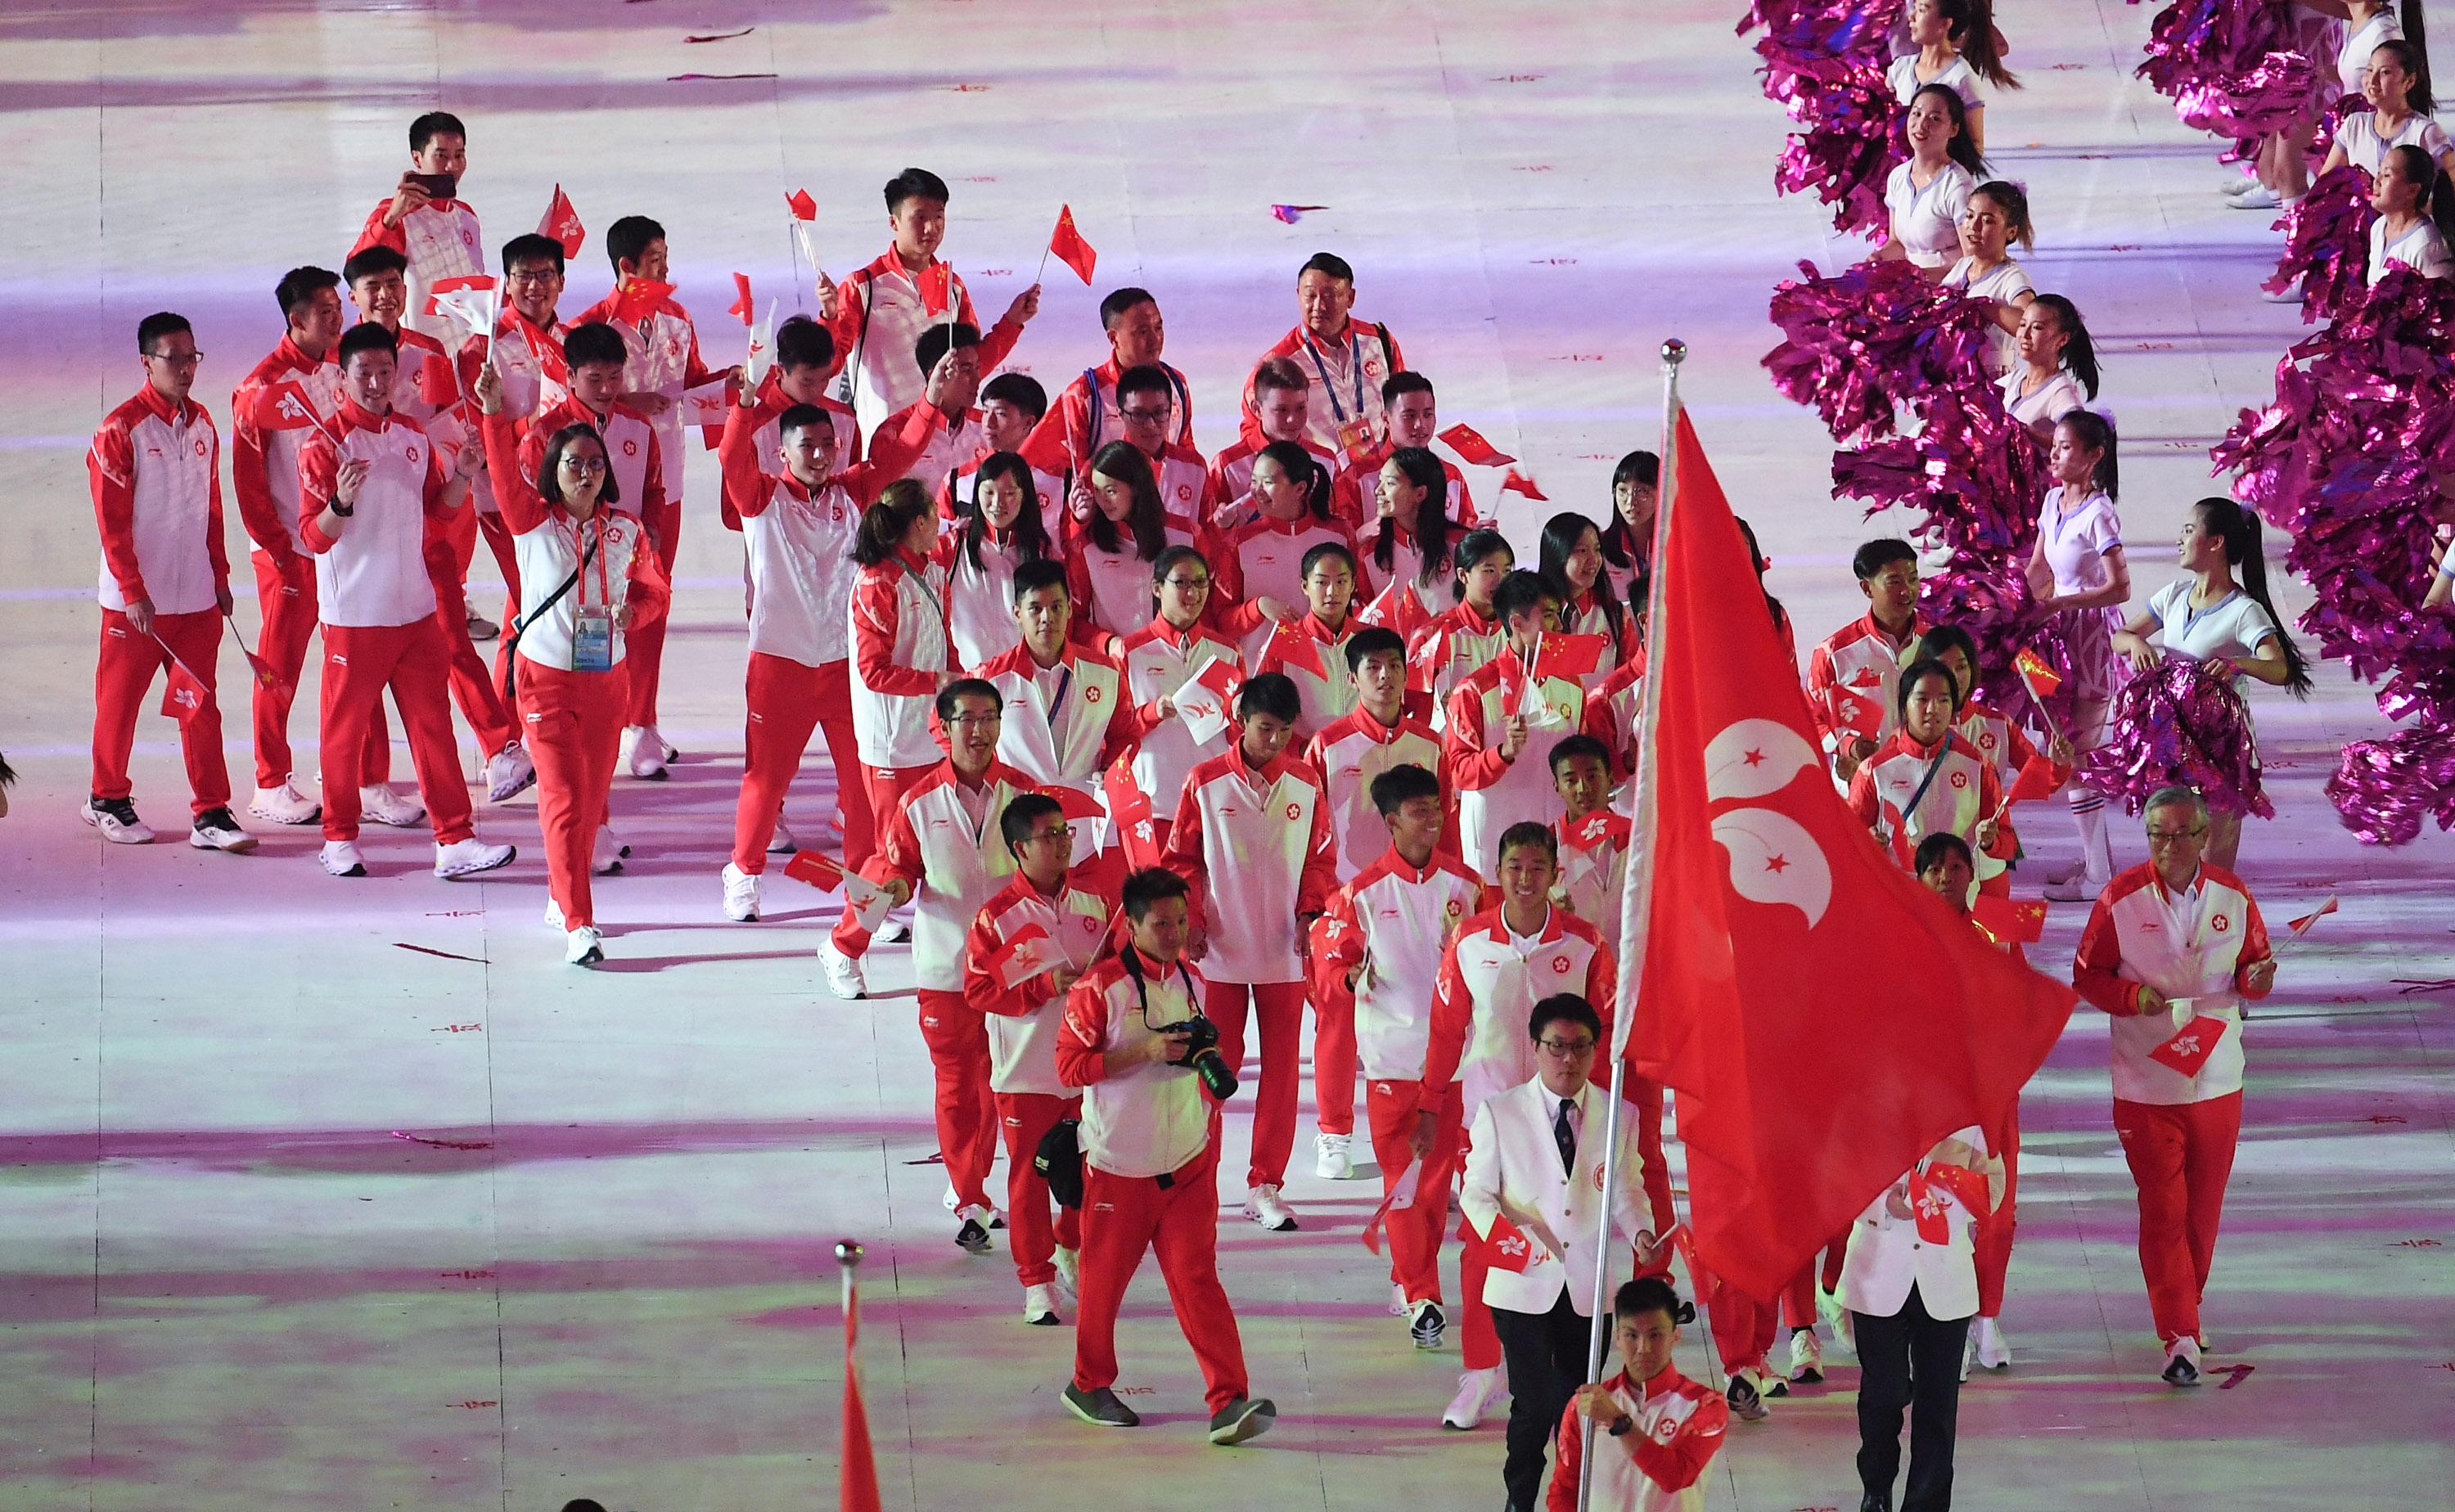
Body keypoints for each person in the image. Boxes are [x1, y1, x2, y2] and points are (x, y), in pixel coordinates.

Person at [1055, 867, 1277, 1446]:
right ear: (1130, 925)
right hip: (1118, 1168)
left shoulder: (1195, 980)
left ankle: (1228, 1400)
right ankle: (1088, 1383)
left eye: (1181, 921)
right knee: (1102, 1287)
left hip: (1188, 1164)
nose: (1174, 933)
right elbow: (1069, 1068)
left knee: (1199, 1280)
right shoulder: (1099, 989)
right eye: (1161, 924)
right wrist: (1143, 1051)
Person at [2072, 786, 2277, 1387]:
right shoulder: (2120, 898)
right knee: (2163, 1210)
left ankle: (2189, 1307)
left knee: (2202, 1213)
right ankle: (2179, 1337)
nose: (2166, 845)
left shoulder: (2234, 897)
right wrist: (2132, 996)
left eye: (2179, 834)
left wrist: (2260, 978)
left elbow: (2254, 971)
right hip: (2145, 1081)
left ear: (2204, 838)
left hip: (2217, 1080)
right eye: (2156, 833)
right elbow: (2087, 974)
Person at [297, 322, 516, 880]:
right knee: (343, 736)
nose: (375, 383)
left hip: (416, 612)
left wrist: (464, 477)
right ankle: (339, 838)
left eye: (384, 372)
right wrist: (341, 501)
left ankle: (456, 839)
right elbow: (313, 537)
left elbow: (437, 517)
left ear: (398, 374)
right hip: (356, 619)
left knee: (433, 728)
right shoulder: (323, 445)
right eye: (363, 373)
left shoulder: (415, 439)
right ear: (341, 377)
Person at [715, 382, 938, 925]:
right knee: (766, 783)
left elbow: (901, 452)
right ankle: (743, 872)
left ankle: (865, 897)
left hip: (844, 669)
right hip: (778, 664)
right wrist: (745, 408)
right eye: (806, 446)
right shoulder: (760, 498)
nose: (817, 455)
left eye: (826, 444)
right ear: (782, 452)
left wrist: (930, 399)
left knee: (860, 790)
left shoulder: (855, 494)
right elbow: (728, 455)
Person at [1419, 823, 1617, 1431]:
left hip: (1566, 1120)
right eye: (1514, 868)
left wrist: (1610, 1114)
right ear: (1497, 871)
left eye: (1537, 868)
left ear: (1555, 871)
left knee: (1570, 1241)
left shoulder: (1586, 945)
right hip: (1490, 1120)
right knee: (1484, 1246)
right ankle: (1480, 1373)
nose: (1525, 880)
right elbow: (1447, 1026)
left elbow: (1606, 1035)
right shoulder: (1470, 940)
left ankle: (1570, 1380)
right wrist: (1429, 1103)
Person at [472, 362, 669, 965]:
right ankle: (580, 922)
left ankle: (564, 893)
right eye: (572, 464)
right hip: (545, 683)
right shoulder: (530, 523)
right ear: (552, 474)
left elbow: (656, 594)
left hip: (608, 683)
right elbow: (503, 471)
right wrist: (491, 411)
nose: (585, 473)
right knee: (560, 798)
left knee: (588, 800)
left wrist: (627, 619)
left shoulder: (627, 532)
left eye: (594, 464)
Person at [863, 679, 1043, 1252]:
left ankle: (1001, 1188)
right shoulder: (918, 802)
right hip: (945, 970)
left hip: (1016, 969)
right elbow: (900, 868)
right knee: (957, 1087)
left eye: (989, 718)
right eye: (966, 719)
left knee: (1005, 1085)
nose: (979, 731)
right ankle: (970, 1198)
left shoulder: (1024, 794)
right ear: (943, 729)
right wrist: (892, 888)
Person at [1459, 993, 1656, 1512]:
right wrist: (1509, 1237)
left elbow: (1626, 1188)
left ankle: (1571, 1500)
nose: (1568, 1060)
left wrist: (1639, 1230)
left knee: (1579, 1405)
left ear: (1596, 1050)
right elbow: (1475, 1192)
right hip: (1521, 1285)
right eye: (1556, 1047)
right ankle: (1519, 1500)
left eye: (1580, 1048)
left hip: (1589, 1291)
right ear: (1536, 1047)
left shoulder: (1620, 1114)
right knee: (1533, 1403)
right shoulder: (1499, 1113)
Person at [1310, 762, 1484, 1335]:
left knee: (1434, 1186)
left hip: (1456, 1061)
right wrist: (1349, 978)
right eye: (1418, 811)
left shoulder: (1466, 885)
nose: (1432, 818)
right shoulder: (1359, 894)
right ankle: (1422, 1294)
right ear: (1390, 822)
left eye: (1436, 807)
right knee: (1406, 1183)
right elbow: (1330, 957)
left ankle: (1414, 1282)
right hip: (1391, 1058)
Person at [1163, 673, 1339, 1233]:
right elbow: (1181, 860)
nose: (1274, 742)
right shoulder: (1204, 781)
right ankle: (1195, 1176)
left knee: (1284, 1072)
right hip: (1220, 950)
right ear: (1240, 721)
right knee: (1215, 1067)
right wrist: (1190, 920)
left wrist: (1310, 914)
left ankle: (1265, 1184)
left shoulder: (1307, 783)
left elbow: (1320, 861)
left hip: (1285, 953)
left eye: (1285, 732)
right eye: (1265, 729)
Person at [570, 216, 737, 781]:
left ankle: (640, 722)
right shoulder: (591, 328)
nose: (667, 269)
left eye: (667, 257)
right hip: (595, 484)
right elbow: (566, 397)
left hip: (662, 483)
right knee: (595, 600)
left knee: (651, 598)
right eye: (656, 261)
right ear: (627, 267)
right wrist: (629, 396)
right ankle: (597, 717)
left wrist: (727, 384)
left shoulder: (677, 319)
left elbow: (689, 388)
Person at [83, 312, 251, 853]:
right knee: (120, 703)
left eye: (192, 357)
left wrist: (220, 576)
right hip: (137, 606)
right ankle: (106, 797)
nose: (185, 368)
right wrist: (132, 590)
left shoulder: (203, 424)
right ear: (146, 362)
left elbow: (212, 510)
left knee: (199, 705)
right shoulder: (120, 429)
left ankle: (212, 812)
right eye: (173, 358)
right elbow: (111, 521)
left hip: (196, 599)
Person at [511, 318, 666, 843]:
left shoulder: (639, 429)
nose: (606, 390)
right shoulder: (544, 435)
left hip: (613, 585)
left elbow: (653, 500)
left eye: (615, 378)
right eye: (594, 379)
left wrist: (648, 568)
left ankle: (596, 824)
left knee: (599, 729)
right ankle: (516, 751)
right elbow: (528, 511)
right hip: (557, 579)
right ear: (570, 376)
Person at [962, 792, 1115, 1325]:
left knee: (1090, 1173)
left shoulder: (1095, 907)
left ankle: (1068, 1243)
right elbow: (979, 992)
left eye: (1065, 833)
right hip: (1025, 1072)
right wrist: (1045, 987)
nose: (1061, 843)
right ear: (1019, 849)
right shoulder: (996, 919)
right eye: (1049, 836)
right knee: (1029, 1179)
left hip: (1085, 1073)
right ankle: (1037, 1281)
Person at [2105, 498, 2313, 871]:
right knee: (2171, 854)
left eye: (2188, 530)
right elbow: (2121, 635)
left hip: (2220, 750)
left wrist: (2237, 664)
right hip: (2167, 743)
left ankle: (2216, 926)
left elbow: (2280, 668)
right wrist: (2136, 642)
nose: (2179, 540)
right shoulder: (2172, 596)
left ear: (2215, 542)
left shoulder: (2243, 610)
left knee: (2213, 867)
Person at [230, 268, 357, 827]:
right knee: (278, 668)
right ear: (296, 318)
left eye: (338, 307)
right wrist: (279, 549)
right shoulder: (259, 390)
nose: (339, 317)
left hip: (343, 546)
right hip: (291, 552)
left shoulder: (338, 370)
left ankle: (344, 767)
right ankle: (269, 781)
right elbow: (248, 480)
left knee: (349, 662)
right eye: (327, 310)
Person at [822, 480, 955, 995]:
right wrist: (935, 683)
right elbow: (874, 671)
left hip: (932, 736)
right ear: (918, 523)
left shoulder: (931, 570)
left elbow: (938, 646)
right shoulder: (877, 584)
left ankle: (942, 950)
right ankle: (842, 945)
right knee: (891, 856)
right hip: (892, 744)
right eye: (935, 516)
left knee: (941, 848)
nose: (941, 524)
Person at [1841, 1119, 2003, 1512]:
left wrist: (1950, 1197)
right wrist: (1885, 1207)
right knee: (1884, 1392)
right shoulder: (1865, 1109)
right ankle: (1876, 1485)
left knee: (1938, 1403)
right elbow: (1840, 1180)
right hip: (1876, 1275)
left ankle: (1926, 1504)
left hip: (1945, 1276)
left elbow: (1993, 1186)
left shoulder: (1972, 1119)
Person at [1912, 830, 2028, 1374]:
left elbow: (2022, 998)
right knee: (1941, 1205)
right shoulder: (1898, 934)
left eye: (1956, 867)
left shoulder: (1996, 930)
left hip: (1991, 1091)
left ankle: (1988, 1315)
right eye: (1934, 868)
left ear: (1972, 874)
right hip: (1932, 1096)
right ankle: (1949, 1322)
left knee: (1995, 1208)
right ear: (1918, 876)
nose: (1945, 876)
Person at [820, 166, 1039, 437]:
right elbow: (830, 363)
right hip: (889, 442)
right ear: (894, 222)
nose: (931, 228)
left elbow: (973, 363)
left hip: (945, 441)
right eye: (919, 217)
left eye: (939, 217)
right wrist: (829, 317)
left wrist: (1012, 322)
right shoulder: (863, 286)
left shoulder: (952, 286)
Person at [971, 559, 1149, 875]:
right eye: (1035, 608)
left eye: (1056, 606)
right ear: (1018, 615)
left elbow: (1127, 734)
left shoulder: (1105, 671)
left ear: (1069, 609)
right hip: (1018, 825)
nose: (1047, 618)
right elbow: (951, 733)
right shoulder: (991, 680)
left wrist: (1111, 768)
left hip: (1086, 823)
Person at [2025, 409, 2128, 899]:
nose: (2056, 454)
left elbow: (2119, 588)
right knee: (2063, 749)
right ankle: (2095, 863)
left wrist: (2064, 603)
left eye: (2067, 448)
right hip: (2054, 633)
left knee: (2077, 752)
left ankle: (2097, 874)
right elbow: (2037, 567)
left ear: (2094, 458)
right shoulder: (2051, 502)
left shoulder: (2099, 513)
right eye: (2055, 446)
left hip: (2089, 639)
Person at [1114, 545, 1269, 853]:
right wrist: (1153, 712)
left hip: (1215, 800)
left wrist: (1239, 718)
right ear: (1157, 588)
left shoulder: (1226, 651)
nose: (1193, 593)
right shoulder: (1131, 652)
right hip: (1155, 801)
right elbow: (1113, 733)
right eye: (1181, 582)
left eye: (1201, 583)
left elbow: (1236, 737)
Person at [459, 233, 575, 619]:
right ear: (506, 283)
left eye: (545, 275)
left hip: (568, 493)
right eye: (523, 275)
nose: (534, 286)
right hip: (504, 496)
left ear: (561, 281)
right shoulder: (483, 348)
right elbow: (474, 434)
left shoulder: (573, 343)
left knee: (547, 600)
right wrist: (532, 423)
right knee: (533, 597)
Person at [1544, 1276, 1729, 1512]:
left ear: (1675, 1336)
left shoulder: (1705, 1406)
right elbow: (1564, 1491)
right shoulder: (1585, 1407)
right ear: (1617, 1338)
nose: (1644, 1348)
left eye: (1655, 1335)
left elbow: (1675, 1476)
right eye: (1632, 1335)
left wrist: (1618, 1422)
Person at [1444, 570, 1583, 880]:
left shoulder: (1572, 686)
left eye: (1557, 615)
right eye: (1548, 616)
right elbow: (1459, 773)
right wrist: (1503, 753)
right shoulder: (1474, 691)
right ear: (1517, 624)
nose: (1559, 626)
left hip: (1554, 845)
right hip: (1494, 841)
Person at [1846, 657, 2017, 880]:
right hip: (1900, 895)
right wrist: (1867, 842)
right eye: (1922, 699)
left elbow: (2009, 843)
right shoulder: (1874, 770)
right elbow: (1847, 839)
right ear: (1905, 706)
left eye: (1943, 700)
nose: (1933, 709)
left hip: (1957, 897)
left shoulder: (1978, 766)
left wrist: (1991, 841)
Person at [1246, 252, 1407, 461]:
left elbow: (1403, 406)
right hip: (1319, 479)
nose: (1319, 306)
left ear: (1350, 298)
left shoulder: (1380, 342)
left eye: (1330, 296)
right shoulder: (1278, 363)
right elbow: (1253, 431)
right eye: (1310, 296)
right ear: (1298, 295)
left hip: (1380, 477)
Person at [1020, 286, 1195, 476]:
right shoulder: (1084, 394)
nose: (1155, 339)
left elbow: (1186, 457)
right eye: (1142, 332)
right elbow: (1039, 463)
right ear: (1113, 338)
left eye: (1158, 328)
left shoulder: (1177, 384)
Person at [1209, 443, 1360, 659]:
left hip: (1328, 668)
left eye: (1268, 482)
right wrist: (1259, 607)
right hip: (1263, 676)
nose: (1256, 491)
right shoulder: (1239, 542)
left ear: (1300, 488)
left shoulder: (1339, 534)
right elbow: (1222, 622)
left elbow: (1356, 601)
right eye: (1254, 481)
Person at [349, 111, 481, 345]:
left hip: (470, 351)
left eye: (459, 155)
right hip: (421, 355)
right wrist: (391, 218)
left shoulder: (467, 216)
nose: (452, 166)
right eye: (441, 156)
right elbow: (357, 268)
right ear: (417, 159)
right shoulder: (396, 215)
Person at [1806, 538, 1930, 784]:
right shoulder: (1835, 653)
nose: (1907, 590)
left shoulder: (1935, 645)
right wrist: (1849, 746)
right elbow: (1811, 719)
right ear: (1867, 588)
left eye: (1913, 579)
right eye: (1894, 581)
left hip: (1924, 785)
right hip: (1859, 786)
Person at [1065, 439, 1203, 644]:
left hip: (1176, 661)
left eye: (1111, 491)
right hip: (1115, 665)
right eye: (1097, 490)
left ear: (1137, 486)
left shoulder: (1187, 535)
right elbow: (1075, 620)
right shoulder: (1088, 546)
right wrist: (1108, 644)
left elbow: (1207, 607)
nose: (1102, 500)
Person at [943, 451, 1057, 670]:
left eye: (1009, 493)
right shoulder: (954, 545)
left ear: (1025, 495)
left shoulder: (1043, 551)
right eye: (989, 492)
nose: (997, 503)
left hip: (1024, 678)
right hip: (969, 682)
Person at [1332, 372, 1483, 528]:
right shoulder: (1357, 479)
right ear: (1385, 419)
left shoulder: (1451, 477)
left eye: (1428, 414)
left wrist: (1476, 536)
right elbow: (1343, 542)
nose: (1420, 424)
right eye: (1409, 416)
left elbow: (1464, 534)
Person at [1412, 529, 1517, 731]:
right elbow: (1417, 713)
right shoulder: (1434, 636)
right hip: (1454, 750)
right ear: (1463, 575)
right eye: (1489, 570)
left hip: (1507, 749)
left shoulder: (1518, 628)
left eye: (1506, 570)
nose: (1500, 580)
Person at [1209, 357, 1339, 516]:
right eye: (1281, 410)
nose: (1292, 418)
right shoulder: (1228, 466)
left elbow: (1338, 521)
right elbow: (1207, 532)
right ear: (1257, 409)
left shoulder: (1326, 461)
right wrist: (1225, 528)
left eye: (1300, 407)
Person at [1876, 85, 1984, 272]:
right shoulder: (1897, 177)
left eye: (1935, 118)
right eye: (1916, 114)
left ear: (1953, 130)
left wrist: (1926, 278)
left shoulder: (1957, 185)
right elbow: (1897, 243)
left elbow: (1973, 261)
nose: (1921, 124)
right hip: (1910, 286)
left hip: (1948, 291)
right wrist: (1876, 259)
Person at [943, 373, 1065, 538]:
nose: (988, 422)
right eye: (986, 411)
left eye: (1000, 414)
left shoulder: (1061, 480)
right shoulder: (958, 480)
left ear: (1029, 422)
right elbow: (937, 544)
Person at [1355, 445, 1458, 641]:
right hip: (1394, 665)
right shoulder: (1369, 553)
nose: (1378, 491)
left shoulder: (1460, 547)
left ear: (1420, 494)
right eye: (1380, 482)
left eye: (1390, 484)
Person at [1887, 0, 2016, 155]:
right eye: (1914, 8)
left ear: (1946, 23)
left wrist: (1944, 172)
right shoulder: (1899, 69)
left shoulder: (1961, 78)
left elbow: (1975, 146)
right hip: (1901, 173)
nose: (1911, 17)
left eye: (1920, 10)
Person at [2317, 38, 2454, 182]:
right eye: (2369, 70)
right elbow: (2324, 186)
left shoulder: (2424, 132)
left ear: (2409, 81)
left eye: (2385, 72)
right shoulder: (2354, 125)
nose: (2372, 80)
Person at [876, 322, 989, 497]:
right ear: (935, 375)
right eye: (966, 369)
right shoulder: (894, 432)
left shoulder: (987, 426)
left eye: (977, 368)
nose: (977, 379)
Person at [1942, 180, 2036, 370]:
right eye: (1969, 216)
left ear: (2011, 232)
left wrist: (1983, 307)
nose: (1973, 226)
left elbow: (2030, 322)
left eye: (1987, 220)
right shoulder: (1962, 266)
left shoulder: (2010, 276)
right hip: (1954, 379)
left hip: (1991, 385)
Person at [1537, 511, 1633, 669]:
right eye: (1582, 551)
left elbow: (1631, 669)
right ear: (1558, 554)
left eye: (1597, 549)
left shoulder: (1613, 611)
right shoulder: (1535, 613)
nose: (1594, 560)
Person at [1998, 293, 2099, 441]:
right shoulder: (2012, 381)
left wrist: (2027, 434)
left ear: (2063, 339)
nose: (2024, 334)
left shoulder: (2060, 392)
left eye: (2037, 328)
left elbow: (2078, 443)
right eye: (2022, 325)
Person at [2367, 142, 2455, 281]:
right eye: (2378, 173)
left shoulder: (2426, 244)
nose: (2376, 181)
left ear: (2412, 190)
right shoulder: (2378, 228)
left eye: (2386, 175)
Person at [1597, 452, 1658, 609]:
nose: (1631, 502)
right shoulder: (1598, 548)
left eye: (1642, 491)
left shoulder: (1677, 546)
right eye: (1623, 490)